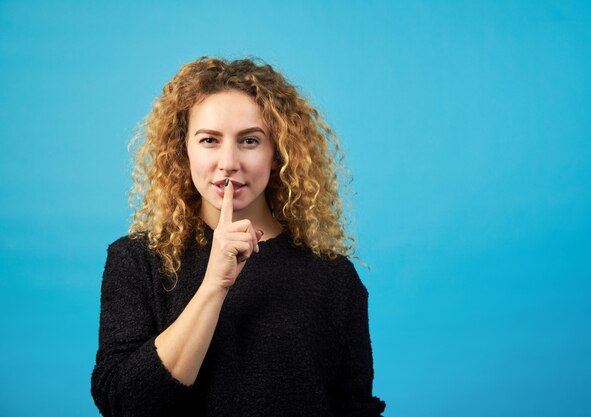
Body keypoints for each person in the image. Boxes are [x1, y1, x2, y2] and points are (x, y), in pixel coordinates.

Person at [91, 57, 385, 417]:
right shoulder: (136, 260)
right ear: (184, 150)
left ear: (277, 153)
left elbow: (355, 408)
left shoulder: (334, 278)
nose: (228, 161)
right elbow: (123, 403)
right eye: (209, 140)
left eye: (249, 140)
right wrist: (214, 286)